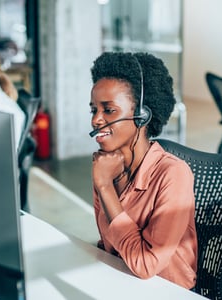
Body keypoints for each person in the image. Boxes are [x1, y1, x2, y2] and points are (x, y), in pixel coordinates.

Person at [89, 52, 198, 290]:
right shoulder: (107, 166)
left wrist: (105, 187)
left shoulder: (174, 175)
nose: (96, 120)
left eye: (108, 110)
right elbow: (109, 247)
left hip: (165, 291)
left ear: (142, 116)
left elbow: (146, 265)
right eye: (94, 110)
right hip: (122, 283)